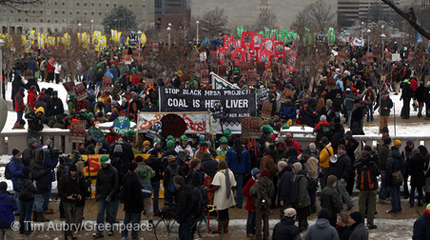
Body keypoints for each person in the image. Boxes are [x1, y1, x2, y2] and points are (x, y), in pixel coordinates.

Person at [93, 155, 119, 238]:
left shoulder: (114, 171)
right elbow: (98, 183)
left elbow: (116, 186)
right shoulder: (100, 171)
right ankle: (99, 231)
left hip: (112, 197)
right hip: (102, 195)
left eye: (104, 164)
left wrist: (110, 196)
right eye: (102, 164)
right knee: (100, 213)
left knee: (110, 214)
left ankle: (111, 229)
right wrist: (96, 194)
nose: (103, 165)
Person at [58, 164, 84, 240]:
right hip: (66, 201)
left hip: (73, 201)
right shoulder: (65, 178)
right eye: (72, 171)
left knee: (71, 218)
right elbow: (60, 190)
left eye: (75, 171)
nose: (73, 173)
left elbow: (77, 188)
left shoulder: (76, 178)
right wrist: (66, 196)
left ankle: (68, 234)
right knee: (69, 218)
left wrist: (78, 194)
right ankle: (68, 234)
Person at [210, 160, 237, 233]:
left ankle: (220, 229)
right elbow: (233, 184)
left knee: (221, 212)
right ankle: (225, 227)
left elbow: (217, 186)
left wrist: (209, 190)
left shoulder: (218, 174)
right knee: (226, 212)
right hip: (228, 195)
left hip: (221, 195)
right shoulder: (230, 172)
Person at [355, 151, 380, 229]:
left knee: (361, 206)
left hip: (362, 188)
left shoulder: (360, 164)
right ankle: (370, 223)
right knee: (371, 206)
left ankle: (361, 222)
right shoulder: (372, 164)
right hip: (372, 187)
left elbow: (356, 169)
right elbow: (378, 173)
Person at [120, 162, 144, 240]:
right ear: (134, 168)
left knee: (126, 220)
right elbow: (138, 194)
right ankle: (134, 236)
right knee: (135, 222)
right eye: (137, 167)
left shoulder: (126, 176)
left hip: (128, 202)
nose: (138, 168)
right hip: (135, 204)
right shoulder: (135, 179)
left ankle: (124, 235)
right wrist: (141, 205)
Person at [225, 137, 251, 209]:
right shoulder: (245, 151)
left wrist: (226, 170)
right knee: (239, 188)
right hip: (241, 172)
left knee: (232, 188)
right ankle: (239, 204)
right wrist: (247, 171)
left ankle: (231, 203)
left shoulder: (230, 151)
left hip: (232, 171)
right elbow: (248, 162)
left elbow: (227, 161)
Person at [250, 169, 274, 240]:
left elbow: (252, 191)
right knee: (266, 220)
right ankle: (266, 235)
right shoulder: (270, 183)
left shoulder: (258, 182)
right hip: (267, 203)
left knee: (258, 221)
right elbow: (272, 193)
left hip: (259, 203)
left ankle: (258, 236)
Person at [29, 148, 50, 222]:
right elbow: (34, 174)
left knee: (37, 200)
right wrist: (43, 171)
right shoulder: (34, 163)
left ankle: (36, 216)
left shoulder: (36, 162)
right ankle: (39, 216)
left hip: (39, 184)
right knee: (39, 200)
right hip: (37, 184)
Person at [331, 144, 354, 211]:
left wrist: (344, 177)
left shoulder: (346, 158)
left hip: (341, 177)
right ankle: (340, 204)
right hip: (337, 176)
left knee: (342, 190)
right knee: (338, 191)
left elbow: (347, 169)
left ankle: (350, 203)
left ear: (344, 150)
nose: (339, 151)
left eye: (341, 149)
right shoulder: (337, 157)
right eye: (338, 149)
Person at [386, 139, 406, 214]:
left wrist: (387, 180)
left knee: (393, 194)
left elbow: (388, 170)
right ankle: (399, 207)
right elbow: (404, 167)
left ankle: (394, 209)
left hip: (392, 178)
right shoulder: (400, 158)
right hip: (399, 177)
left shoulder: (390, 159)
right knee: (397, 193)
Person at [17, 167, 37, 235]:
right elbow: (33, 189)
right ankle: (28, 229)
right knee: (28, 215)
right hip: (29, 199)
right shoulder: (28, 181)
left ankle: (21, 229)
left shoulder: (20, 180)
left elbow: (18, 188)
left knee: (22, 214)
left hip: (22, 199)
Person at [173, 175, 194, 240]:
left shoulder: (183, 192)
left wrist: (178, 214)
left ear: (177, 183)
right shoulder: (185, 189)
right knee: (182, 232)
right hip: (186, 214)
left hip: (185, 215)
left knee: (185, 232)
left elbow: (182, 205)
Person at [292, 162, 311, 232]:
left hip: (303, 201)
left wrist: (299, 200)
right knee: (301, 216)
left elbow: (302, 190)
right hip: (303, 200)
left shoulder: (302, 178)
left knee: (302, 216)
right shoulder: (298, 176)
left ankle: (302, 228)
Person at [243, 168, 260, 238]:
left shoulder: (258, 181)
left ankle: (253, 230)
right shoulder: (251, 182)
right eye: (258, 173)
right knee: (251, 218)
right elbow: (244, 190)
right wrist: (251, 196)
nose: (259, 174)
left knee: (255, 218)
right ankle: (249, 231)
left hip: (255, 203)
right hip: (251, 203)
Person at [8, 149, 24, 215]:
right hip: (16, 181)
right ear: (15, 155)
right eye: (18, 154)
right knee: (18, 196)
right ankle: (17, 210)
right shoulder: (12, 163)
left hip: (19, 180)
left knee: (17, 196)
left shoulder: (19, 161)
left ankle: (15, 208)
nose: (20, 155)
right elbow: (14, 172)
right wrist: (23, 172)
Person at [378, 137, 392, 204]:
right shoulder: (385, 150)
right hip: (384, 169)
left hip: (381, 168)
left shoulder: (381, 148)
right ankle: (382, 198)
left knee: (383, 184)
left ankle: (381, 197)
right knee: (385, 184)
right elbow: (386, 160)